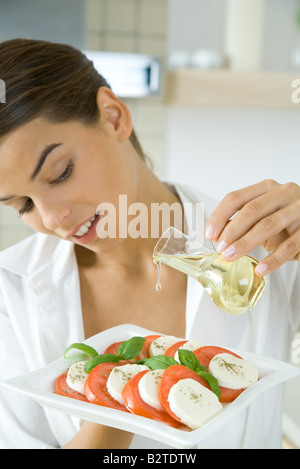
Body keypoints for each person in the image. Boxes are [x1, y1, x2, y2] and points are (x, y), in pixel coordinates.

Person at [0, 38, 299, 450]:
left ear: (114, 116)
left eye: (61, 172)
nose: (52, 218)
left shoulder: (267, 244)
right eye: (22, 205)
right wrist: (123, 394)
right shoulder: (9, 292)